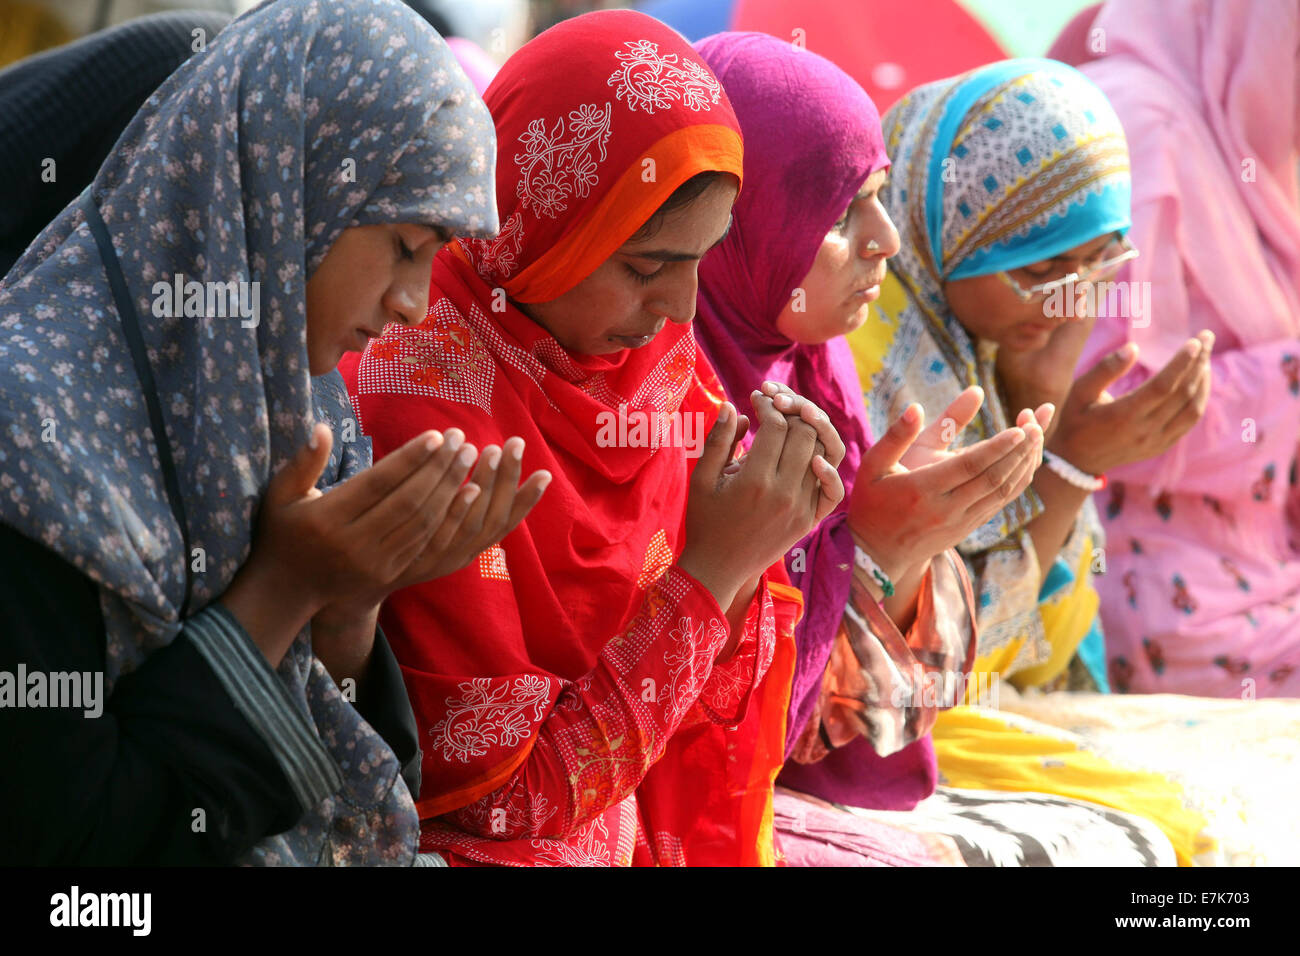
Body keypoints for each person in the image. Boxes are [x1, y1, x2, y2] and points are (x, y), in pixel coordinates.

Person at [0, 0, 542, 866]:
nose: (415, 302)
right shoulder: (30, 426)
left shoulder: (301, 406)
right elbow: (71, 846)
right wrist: (285, 590)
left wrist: (351, 604)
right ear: (288, 193)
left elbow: (359, 776)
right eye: (405, 244)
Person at [341, 9, 846, 866]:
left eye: (703, 261)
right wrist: (715, 573)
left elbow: (718, 706)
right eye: (646, 267)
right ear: (536, 221)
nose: (682, 310)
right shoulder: (419, 393)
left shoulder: (651, 366)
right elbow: (503, 804)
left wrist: (771, 530)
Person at [693, 36, 1190, 865]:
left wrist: (1045, 401)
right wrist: (1054, 473)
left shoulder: (822, 368)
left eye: (1100, 265)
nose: (1076, 297)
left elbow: (1022, 656)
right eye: (1045, 266)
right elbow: (726, 730)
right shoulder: (732, 390)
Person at [1050, 0, 1300, 698]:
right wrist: (1288, 379)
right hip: (1161, 593)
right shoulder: (1145, 129)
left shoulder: (1237, 137)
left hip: (1256, 562)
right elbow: (1099, 406)